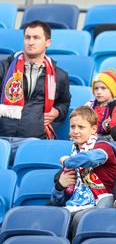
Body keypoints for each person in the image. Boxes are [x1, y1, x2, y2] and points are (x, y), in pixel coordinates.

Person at [0, 20, 71, 164]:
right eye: (27, 37)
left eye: (36, 38)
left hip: (32, 141)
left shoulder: (59, 75)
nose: (30, 42)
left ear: (48, 42)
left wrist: (57, 111)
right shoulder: (4, 67)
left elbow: (64, 102)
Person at [49, 106, 116, 211]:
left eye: (81, 127)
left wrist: (68, 162)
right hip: (74, 206)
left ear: (93, 129)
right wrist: (60, 186)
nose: (75, 131)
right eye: (72, 127)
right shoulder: (74, 153)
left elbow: (91, 159)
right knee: (51, 215)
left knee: (77, 219)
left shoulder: (104, 146)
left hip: (102, 205)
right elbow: (56, 202)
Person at [85, 69, 116, 138]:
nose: (99, 92)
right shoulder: (89, 105)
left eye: (103, 88)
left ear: (112, 90)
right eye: (96, 88)